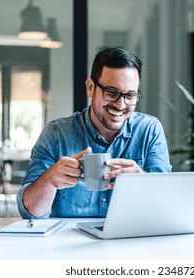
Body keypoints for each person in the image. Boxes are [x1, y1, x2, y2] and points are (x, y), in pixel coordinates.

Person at [16, 47, 172, 219]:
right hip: (68, 244)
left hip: (129, 243)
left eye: (130, 95)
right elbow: (30, 213)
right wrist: (50, 180)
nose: (120, 105)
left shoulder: (149, 130)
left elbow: (166, 207)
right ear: (90, 87)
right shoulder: (56, 134)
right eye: (111, 92)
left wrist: (143, 181)